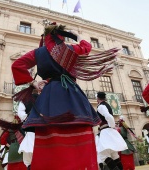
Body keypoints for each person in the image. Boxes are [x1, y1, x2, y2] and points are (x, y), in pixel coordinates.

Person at [11, 22, 119, 170]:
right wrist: (77, 36)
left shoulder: (38, 52)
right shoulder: (71, 49)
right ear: (62, 36)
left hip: (50, 95)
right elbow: (86, 47)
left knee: (50, 133)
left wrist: (33, 83)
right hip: (72, 93)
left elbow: (17, 65)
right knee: (79, 129)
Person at [96, 92, 127, 170]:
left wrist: (111, 125)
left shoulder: (101, 106)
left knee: (103, 154)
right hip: (109, 131)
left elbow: (108, 116)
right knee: (114, 154)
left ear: (98, 98)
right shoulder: (106, 105)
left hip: (106, 131)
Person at [17, 93, 38, 169]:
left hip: (31, 131)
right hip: (43, 131)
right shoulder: (46, 98)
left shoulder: (25, 99)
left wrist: (28, 119)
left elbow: (21, 113)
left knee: (29, 160)